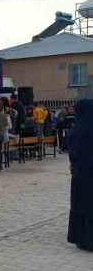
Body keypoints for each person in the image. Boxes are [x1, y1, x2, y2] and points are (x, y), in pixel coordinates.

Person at [67, 99, 93, 251]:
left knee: (84, 205)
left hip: (83, 175)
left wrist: (74, 163)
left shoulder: (77, 131)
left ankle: (85, 239)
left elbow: (75, 155)